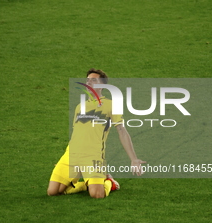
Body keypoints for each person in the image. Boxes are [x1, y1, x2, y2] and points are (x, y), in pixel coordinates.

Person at [47, 68, 146, 198]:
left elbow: (122, 131)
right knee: (53, 192)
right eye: (87, 80)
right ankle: (85, 185)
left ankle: (109, 182)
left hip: (93, 156)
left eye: (94, 80)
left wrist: (133, 159)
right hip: (72, 154)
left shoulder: (111, 105)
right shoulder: (79, 107)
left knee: (97, 194)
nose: (89, 82)